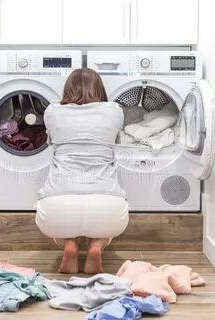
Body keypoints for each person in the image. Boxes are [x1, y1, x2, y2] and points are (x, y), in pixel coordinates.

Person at [35, 68, 129, 274]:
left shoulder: (52, 111)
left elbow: (51, 142)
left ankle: (69, 244)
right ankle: (96, 246)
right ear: (100, 89)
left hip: (58, 207)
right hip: (108, 207)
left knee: (62, 222)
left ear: (68, 88)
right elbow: (115, 141)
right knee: (103, 222)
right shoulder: (115, 110)